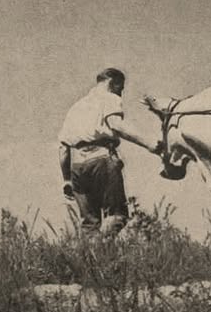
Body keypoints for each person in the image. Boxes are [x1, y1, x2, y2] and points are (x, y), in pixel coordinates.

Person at [58, 68, 160, 233]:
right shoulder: (109, 98)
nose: (121, 94)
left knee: (89, 225)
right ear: (114, 83)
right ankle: (105, 251)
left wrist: (66, 179)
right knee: (117, 216)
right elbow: (116, 124)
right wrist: (148, 143)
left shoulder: (76, 107)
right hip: (102, 159)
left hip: (77, 166)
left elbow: (63, 147)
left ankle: (91, 257)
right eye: (121, 88)